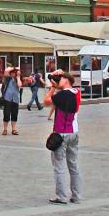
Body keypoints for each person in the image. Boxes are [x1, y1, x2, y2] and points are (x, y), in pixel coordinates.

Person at [45, 71, 81, 205]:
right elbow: (67, 81)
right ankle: (76, 196)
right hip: (74, 132)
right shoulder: (77, 92)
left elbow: (46, 101)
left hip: (61, 133)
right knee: (74, 166)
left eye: (60, 79)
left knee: (59, 166)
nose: (57, 80)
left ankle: (62, 197)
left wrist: (53, 88)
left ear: (66, 80)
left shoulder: (62, 94)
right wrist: (60, 73)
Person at [0, 66, 22, 136]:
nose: (13, 74)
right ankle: (5, 129)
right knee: (6, 114)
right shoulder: (7, 79)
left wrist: (18, 77)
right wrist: (14, 68)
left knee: (14, 114)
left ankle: (13, 129)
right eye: (12, 73)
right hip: (7, 98)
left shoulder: (17, 79)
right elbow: (6, 71)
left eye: (14, 73)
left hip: (15, 99)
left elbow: (19, 85)